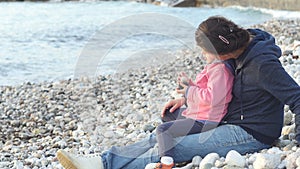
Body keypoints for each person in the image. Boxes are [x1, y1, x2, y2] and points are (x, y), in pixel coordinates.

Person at [56, 16, 300, 169]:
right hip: (227, 119)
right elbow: (221, 90)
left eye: (206, 52)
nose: (205, 58)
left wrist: (297, 142)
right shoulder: (238, 47)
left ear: (220, 52)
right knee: (160, 136)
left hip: (251, 132)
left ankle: (105, 166)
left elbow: (297, 98)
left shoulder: (263, 65)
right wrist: (185, 98)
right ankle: (102, 160)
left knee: (174, 147)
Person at [148, 44, 234, 169]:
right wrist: (189, 84)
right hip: (200, 113)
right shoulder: (213, 68)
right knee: (168, 114)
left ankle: (167, 162)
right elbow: (205, 90)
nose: (203, 54)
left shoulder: (220, 71)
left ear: (218, 53)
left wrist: (189, 90)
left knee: (163, 130)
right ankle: (177, 136)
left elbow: (212, 98)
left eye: (206, 51)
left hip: (206, 120)